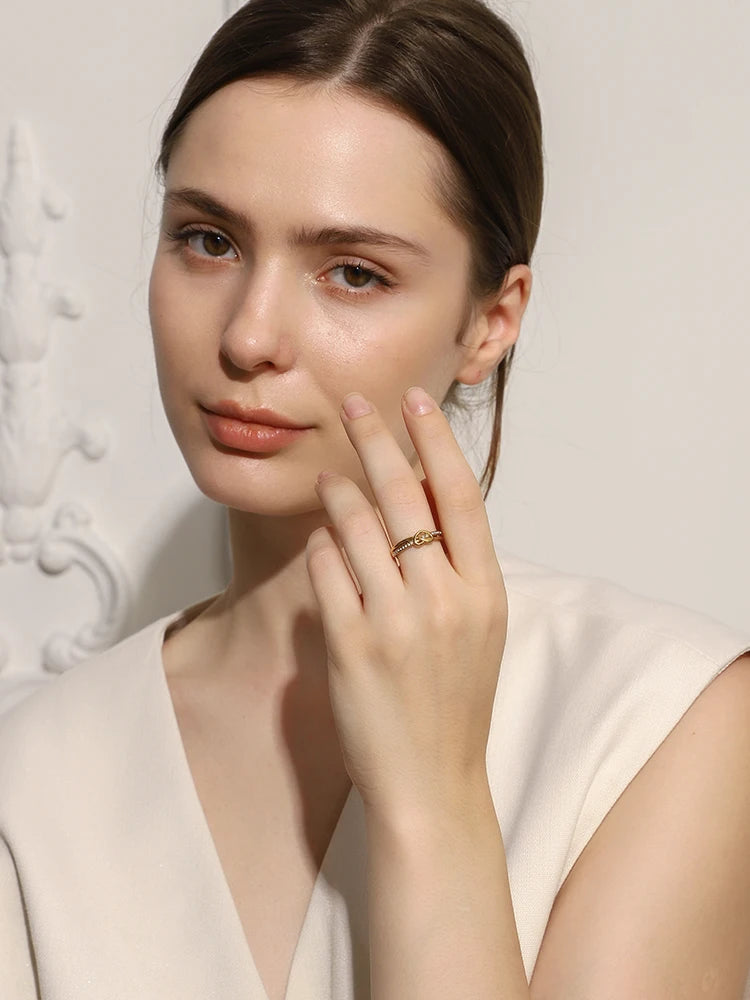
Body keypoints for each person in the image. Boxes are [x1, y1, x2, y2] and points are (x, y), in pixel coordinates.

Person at [2, 0, 750, 996]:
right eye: (209, 240)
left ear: (491, 320)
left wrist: (433, 808)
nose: (249, 335)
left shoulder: (664, 722)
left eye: (351, 272)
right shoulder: (35, 772)